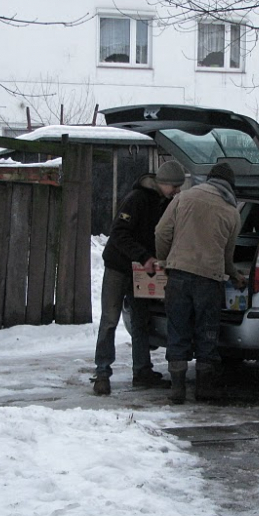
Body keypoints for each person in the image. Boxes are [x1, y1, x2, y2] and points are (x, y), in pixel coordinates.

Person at [92, 160, 186, 396]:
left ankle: (142, 371)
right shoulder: (136, 199)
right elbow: (119, 234)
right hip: (118, 266)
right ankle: (102, 373)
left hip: (141, 271)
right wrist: (144, 256)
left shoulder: (165, 202)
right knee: (109, 319)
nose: (177, 192)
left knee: (141, 320)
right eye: (174, 187)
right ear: (163, 183)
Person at [155, 161, 247, 404]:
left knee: (178, 330)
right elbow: (227, 255)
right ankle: (205, 389)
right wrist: (236, 275)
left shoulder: (183, 198)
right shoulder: (232, 212)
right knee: (207, 333)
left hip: (179, 275)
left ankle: (177, 389)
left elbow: (161, 232)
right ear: (230, 185)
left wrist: (166, 259)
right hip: (209, 280)